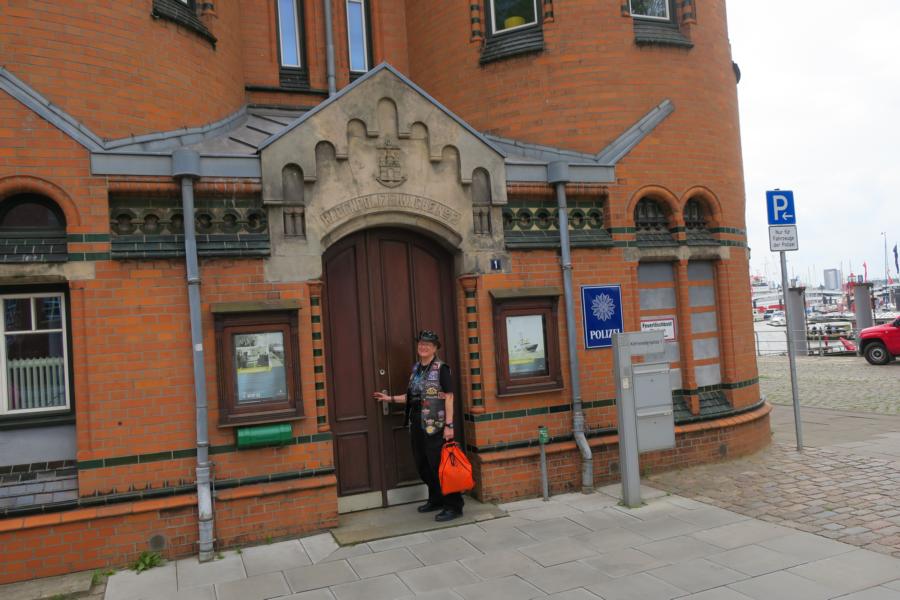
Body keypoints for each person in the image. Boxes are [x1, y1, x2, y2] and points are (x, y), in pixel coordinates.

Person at [373, 330, 464, 522]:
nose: (423, 347)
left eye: (428, 345)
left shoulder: (442, 368)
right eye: (421, 344)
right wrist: (389, 398)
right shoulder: (416, 369)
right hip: (416, 422)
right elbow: (412, 396)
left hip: (436, 424)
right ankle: (436, 499)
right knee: (423, 464)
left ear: (435, 348)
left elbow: (449, 397)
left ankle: (454, 506)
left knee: (440, 466)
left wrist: (449, 425)